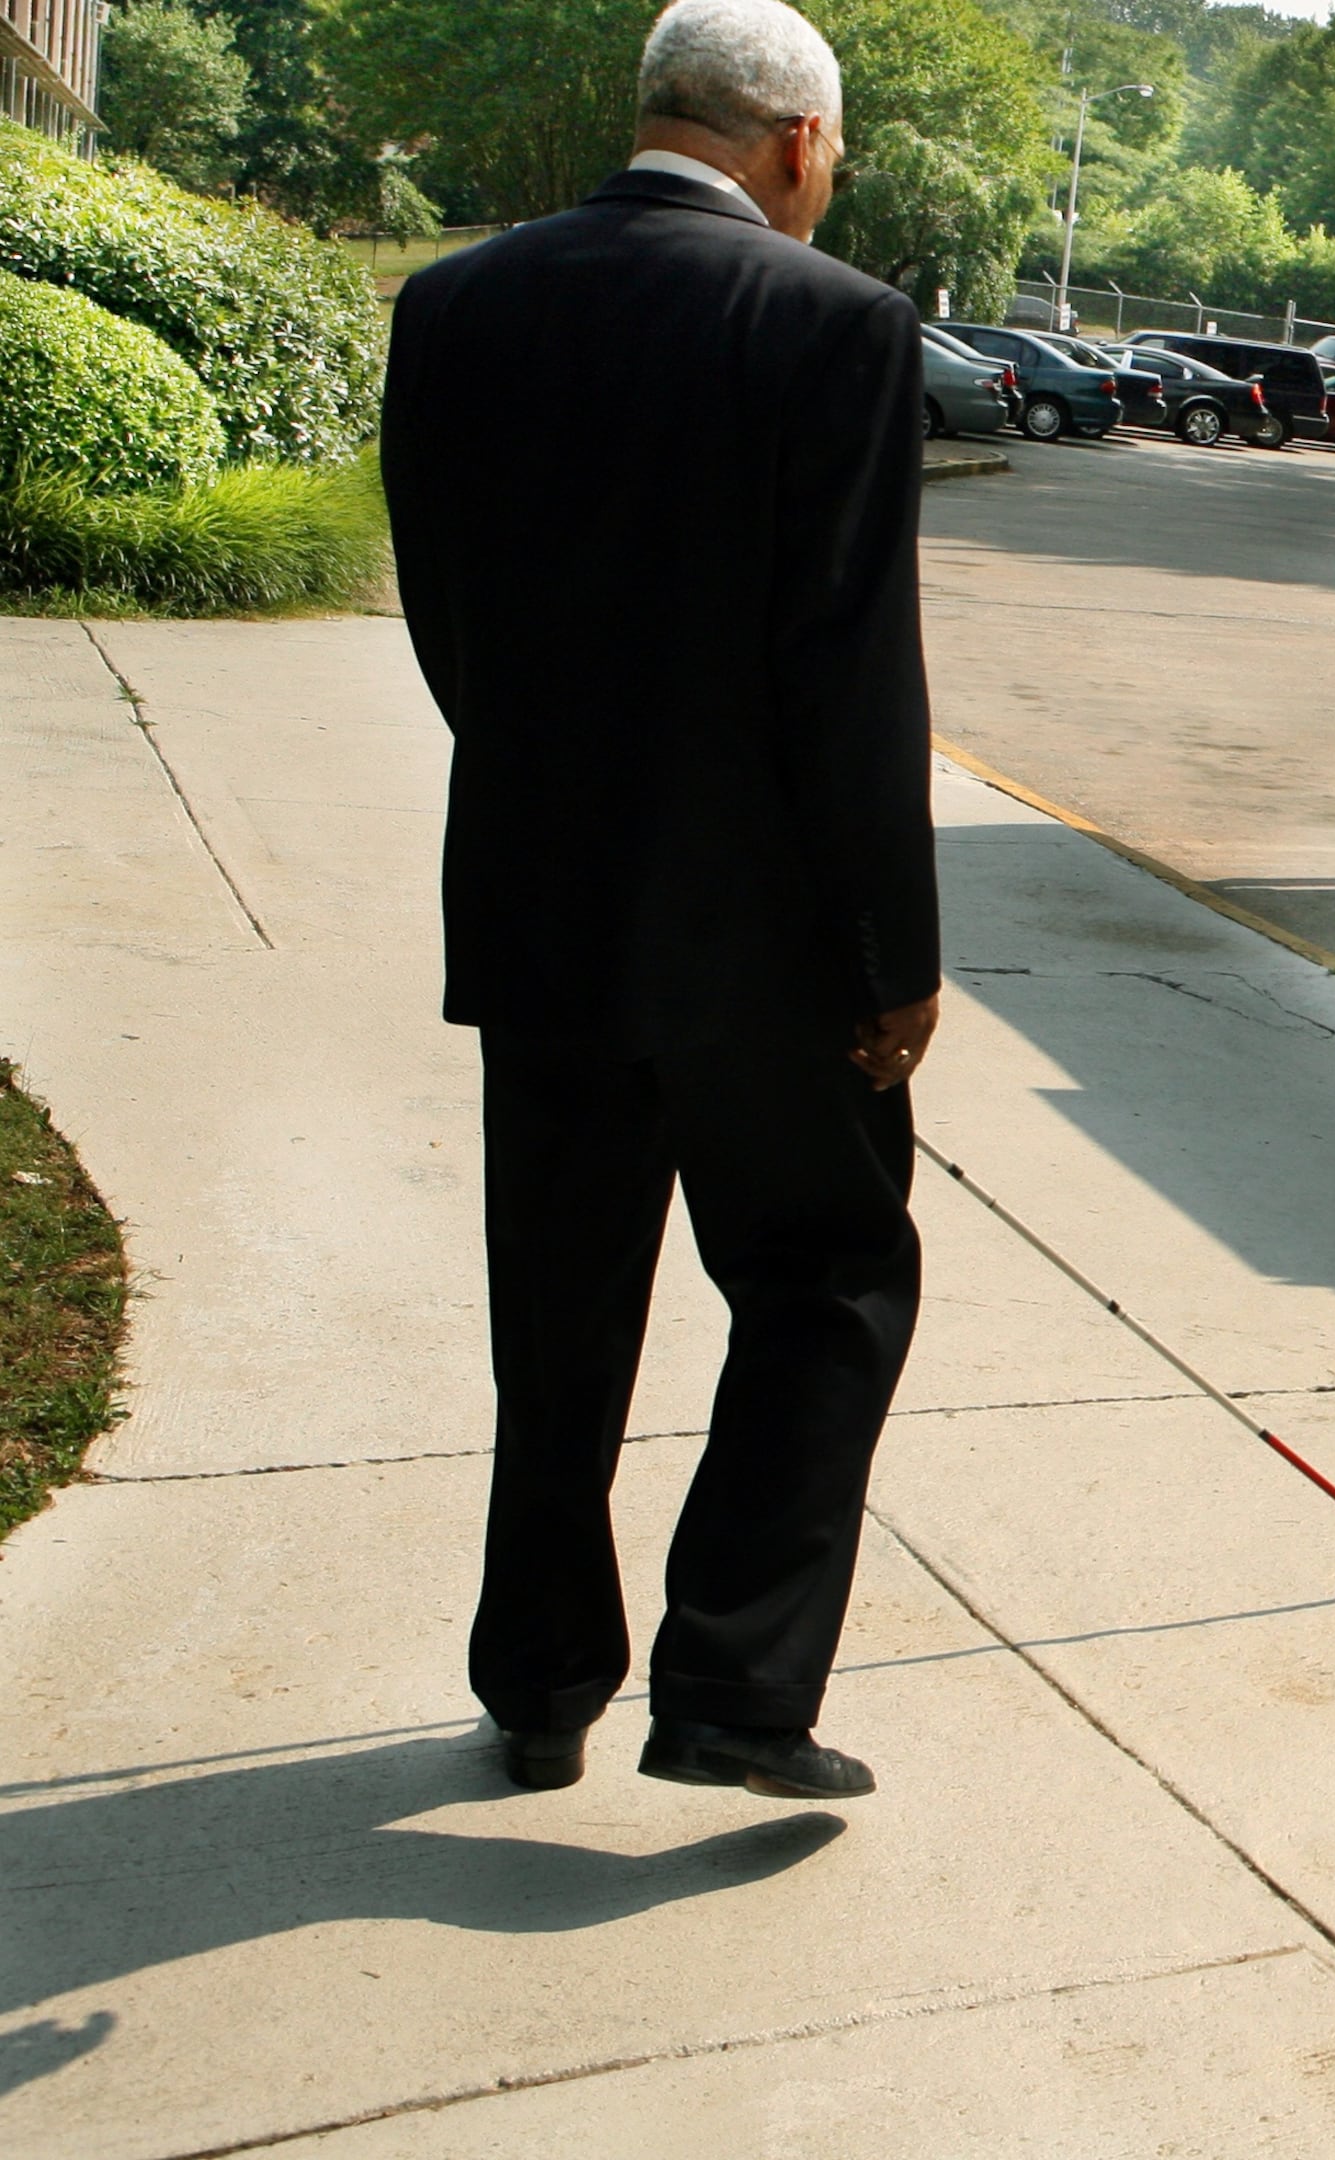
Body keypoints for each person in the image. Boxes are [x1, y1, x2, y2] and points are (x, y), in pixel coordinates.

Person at [383, 0, 940, 1800]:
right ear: (791, 142)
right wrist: (893, 957)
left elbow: (446, 619)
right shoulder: (833, 325)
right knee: (829, 1277)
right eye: (831, 157)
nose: (827, 184)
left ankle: (539, 1685)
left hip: (542, 901)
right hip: (766, 946)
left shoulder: (454, 307)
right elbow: (851, 675)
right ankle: (732, 1690)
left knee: (556, 1311)